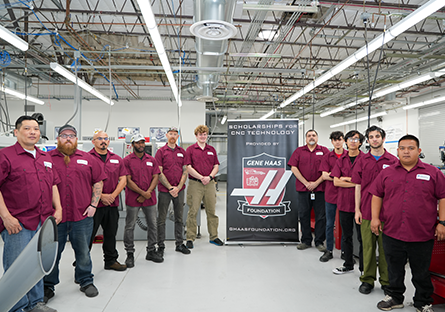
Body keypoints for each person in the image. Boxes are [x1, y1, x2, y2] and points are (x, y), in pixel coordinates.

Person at [370, 135, 445, 312]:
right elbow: (377, 195)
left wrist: (442, 222)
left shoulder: (433, 173)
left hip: (422, 232)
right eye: (402, 148)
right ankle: (395, 297)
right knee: (394, 268)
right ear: (397, 150)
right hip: (392, 230)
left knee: (421, 271)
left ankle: (423, 301)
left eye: (411, 148)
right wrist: (374, 218)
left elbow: (443, 197)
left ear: (419, 151)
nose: (406, 151)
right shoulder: (387, 172)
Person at [0, 116, 61, 312]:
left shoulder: (45, 157)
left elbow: (53, 184)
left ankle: (35, 303)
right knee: (17, 267)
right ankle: (16, 307)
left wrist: (58, 208)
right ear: (16, 132)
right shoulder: (5, 156)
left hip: (43, 221)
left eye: (35, 128)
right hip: (18, 222)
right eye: (27, 128)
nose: (33, 132)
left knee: (37, 264)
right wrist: (6, 217)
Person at [44, 124, 106, 301]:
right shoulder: (46, 159)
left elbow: (98, 182)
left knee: (83, 252)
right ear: (58, 139)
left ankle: (85, 280)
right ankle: (48, 285)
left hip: (82, 216)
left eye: (72, 135)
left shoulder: (89, 159)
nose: (68, 138)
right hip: (55, 217)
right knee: (53, 252)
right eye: (64, 135)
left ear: (77, 139)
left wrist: (94, 205)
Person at [352, 126, 398, 294]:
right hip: (365, 210)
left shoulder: (393, 161)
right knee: (368, 248)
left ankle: (386, 281)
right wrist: (357, 210)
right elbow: (357, 186)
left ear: (383, 138)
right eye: (371, 137)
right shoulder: (362, 160)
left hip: (387, 213)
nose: (375, 139)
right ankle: (367, 280)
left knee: (386, 249)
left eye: (377, 136)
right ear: (368, 140)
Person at [88, 131, 127, 271]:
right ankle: (82, 264)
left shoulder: (117, 159)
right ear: (93, 141)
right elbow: (84, 181)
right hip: (93, 205)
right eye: (99, 139)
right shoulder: (87, 158)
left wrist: (112, 196)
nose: (103, 141)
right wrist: (101, 196)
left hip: (112, 204)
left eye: (106, 139)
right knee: (88, 234)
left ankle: (111, 261)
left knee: (110, 233)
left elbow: (123, 179)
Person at [123, 133, 163, 266]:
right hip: (133, 198)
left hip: (149, 198)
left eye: (142, 142)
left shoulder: (151, 160)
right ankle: (130, 254)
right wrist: (142, 193)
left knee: (153, 224)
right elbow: (127, 181)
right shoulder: (127, 160)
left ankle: (151, 251)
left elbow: (156, 177)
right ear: (132, 144)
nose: (141, 145)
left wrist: (148, 192)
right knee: (130, 226)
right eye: (138, 143)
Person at [288, 129, 329, 251]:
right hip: (303, 189)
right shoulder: (299, 151)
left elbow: (327, 169)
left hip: (320, 189)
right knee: (304, 215)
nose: (311, 137)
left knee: (320, 216)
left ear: (317, 137)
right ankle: (306, 241)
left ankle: (319, 241)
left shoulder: (324, 151)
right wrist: (306, 183)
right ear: (306, 138)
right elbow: (294, 168)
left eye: (314, 135)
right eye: (309, 136)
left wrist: (316, 183)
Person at [331, 130, 364, 274]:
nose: (352, 141)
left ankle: (364, 268)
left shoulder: (365, 159)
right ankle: (348, 264)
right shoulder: (341, 160)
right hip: (344, 203)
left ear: (361, 143)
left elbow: (366, 182)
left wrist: (346, 178)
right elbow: (336, 182)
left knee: (362, 238)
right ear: (346, 141)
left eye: (356, 139)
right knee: (346, 236)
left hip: (361, 205)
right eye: (350, 139)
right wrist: (356, 182)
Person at [185, 125, 223, 248]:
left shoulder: (211, 149)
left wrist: (210, 177)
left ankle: (214, 236)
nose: (203, 136)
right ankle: (190, 238)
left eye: (205, 134)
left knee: (211, 211)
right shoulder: (190, 149)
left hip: (210, 184)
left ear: (207, 136)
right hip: (195, 184)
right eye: (200, 134)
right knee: (193, 211)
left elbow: (216, 166)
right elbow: (188, 167)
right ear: (196, 136)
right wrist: (201, 177)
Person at [155, 126, 190, 256]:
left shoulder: (182, 151)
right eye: (171, 134)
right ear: (167, 135)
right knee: (161, 219)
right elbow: (159, 171)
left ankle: (179, 244)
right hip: (165, 190)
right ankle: (161, 246)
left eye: (175, 134)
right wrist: (170, 187)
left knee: (179, 218)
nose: (173, 136)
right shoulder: (161, 152)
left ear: (178, 137)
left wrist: (178, 187)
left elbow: (185, 171)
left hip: (179, 190)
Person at [318, 131, 346, 262]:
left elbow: (356, 176)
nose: (337, 142)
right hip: (331, 195)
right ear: (332, 142)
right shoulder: (327, 157)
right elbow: (324, 175)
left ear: (343, 140)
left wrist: (333, 176)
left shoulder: (349, 156)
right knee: (329, 224)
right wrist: (343, 178)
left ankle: (346, 251)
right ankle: (329, 250)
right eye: (335, 140)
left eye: (339, 139)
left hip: (347, 195)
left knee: (346, 225)